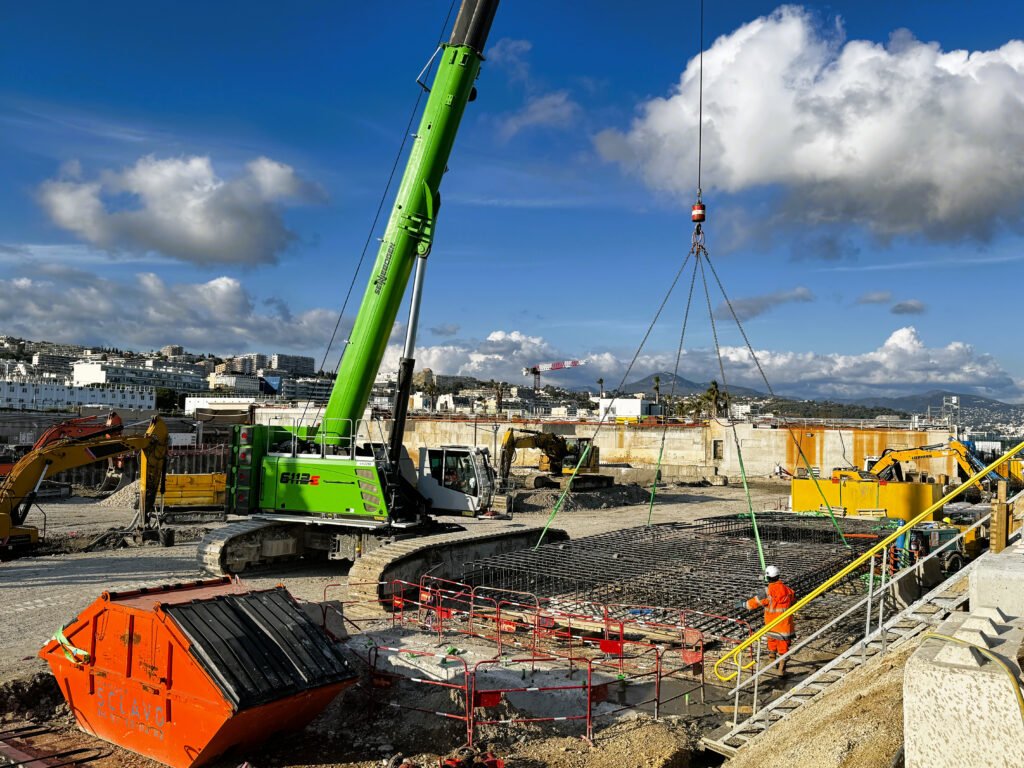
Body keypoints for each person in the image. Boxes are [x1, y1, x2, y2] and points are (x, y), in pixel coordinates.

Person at [744, 565, 796, 676]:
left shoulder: (767, 592)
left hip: (771, 626)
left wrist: (744, 604)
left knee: (772, 645)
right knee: (783, 649)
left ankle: (773, 665)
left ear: (767, 578)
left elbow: (753, 603)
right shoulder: (789, 590)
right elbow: (794, 601)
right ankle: (781, 671)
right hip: (784, 627)